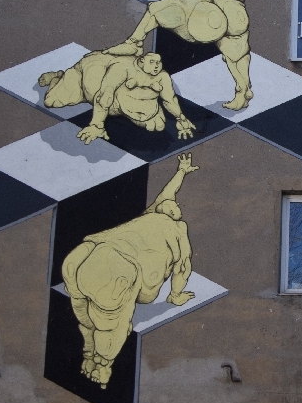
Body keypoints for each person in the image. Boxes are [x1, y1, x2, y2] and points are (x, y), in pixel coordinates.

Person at [61, 153, 199, 388]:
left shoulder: (164, 220)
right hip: (120, 265)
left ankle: (89, 354)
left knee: (86, 310)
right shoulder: (173, 227)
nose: (174, 204)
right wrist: (175, 295)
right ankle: (102, 364)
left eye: (174, 205)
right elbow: (183, 268)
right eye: (172, 204)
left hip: (89, 254)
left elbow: (169, 194)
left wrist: (182, 171)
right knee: (110, 324)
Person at [110, 0, 265, 111]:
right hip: (203, 20)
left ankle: (134, 42)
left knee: (156, 9)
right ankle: (243, 90)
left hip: (197, 19)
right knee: (236, 57)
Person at [38, 51, 195, 145]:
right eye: (152, 62)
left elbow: (169, 99)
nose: (156, 66)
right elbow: (104, 94)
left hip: (120, 99)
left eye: (158, 63)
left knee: (157, 125)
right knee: (51, 101)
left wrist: (181, 118)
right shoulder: (122, 69)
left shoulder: (161, 76)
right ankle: (57, 77)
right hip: (84, 76)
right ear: (142, 62)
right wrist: (97, 125)